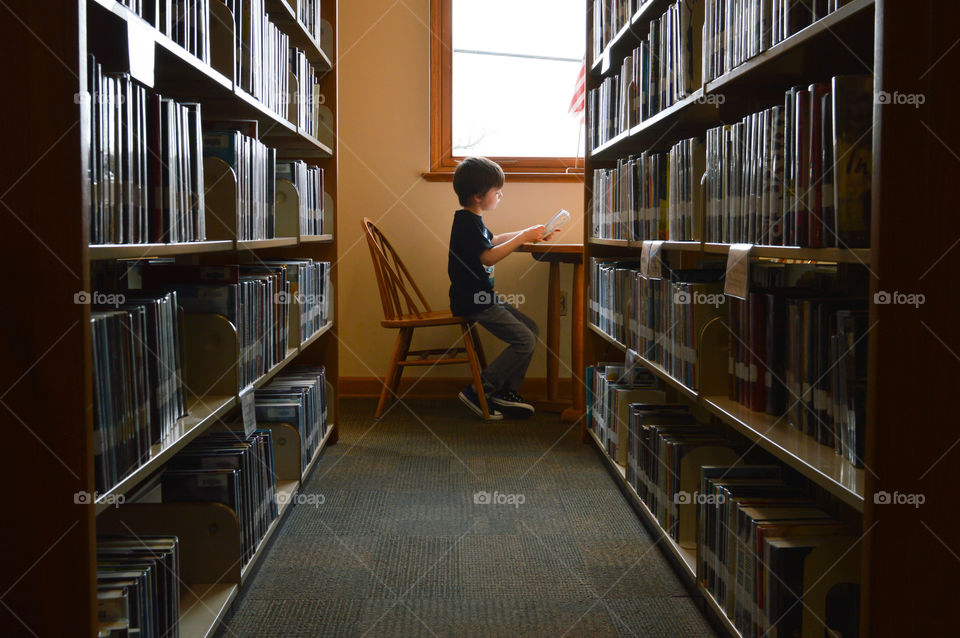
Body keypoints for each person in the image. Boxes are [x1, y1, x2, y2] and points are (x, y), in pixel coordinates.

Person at [447, 157, 555, 420]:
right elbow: (488, 257)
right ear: (477, 196)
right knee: (525, 339)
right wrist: (523, 237)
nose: (501, 195)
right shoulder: (465, 223)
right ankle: (479, 389)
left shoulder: (473, 220)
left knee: (531, 330)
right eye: (497, 191)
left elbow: (493, 241)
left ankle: (505, 392)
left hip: (483, 298)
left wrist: (530, 233)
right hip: (473, 301)